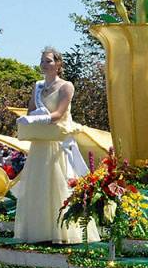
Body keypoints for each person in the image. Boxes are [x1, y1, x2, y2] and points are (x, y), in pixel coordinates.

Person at [13, 48, 97, 244]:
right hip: (40, 145)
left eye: (49, 61)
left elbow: (59, 114)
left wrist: (35, 120)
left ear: (58, 64)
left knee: (59, 186)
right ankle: (40, 232)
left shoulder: (66, 86)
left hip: (58, 144)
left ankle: (64, 232)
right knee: (39, 186)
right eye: (42, 61)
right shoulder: (38, 87)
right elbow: (30, 110)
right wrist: (29, 118)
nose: (44, 64)